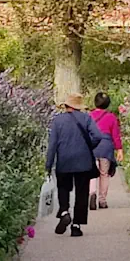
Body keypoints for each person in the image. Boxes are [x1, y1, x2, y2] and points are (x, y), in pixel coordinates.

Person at [44, 92, 105, 236]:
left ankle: (64, 211)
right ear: (79, 106)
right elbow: (98, 136)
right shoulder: (86, 118)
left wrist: (48, 164)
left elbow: (52, 145)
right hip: (83, 161)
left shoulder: (58, 121)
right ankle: (76, 226)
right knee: (82, 193)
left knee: (63, 188)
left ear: (66, 105)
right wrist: (88, 146)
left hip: (64, 161)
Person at [89, 92, 122, 210]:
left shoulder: (89, 116)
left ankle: (92, 193)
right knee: (104, 174)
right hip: (106, 147)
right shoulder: (111, 117)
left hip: (92, 147)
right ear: (108, 104)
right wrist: (119, 149)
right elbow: (116, 135)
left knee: (92, 173)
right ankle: (102, 200)